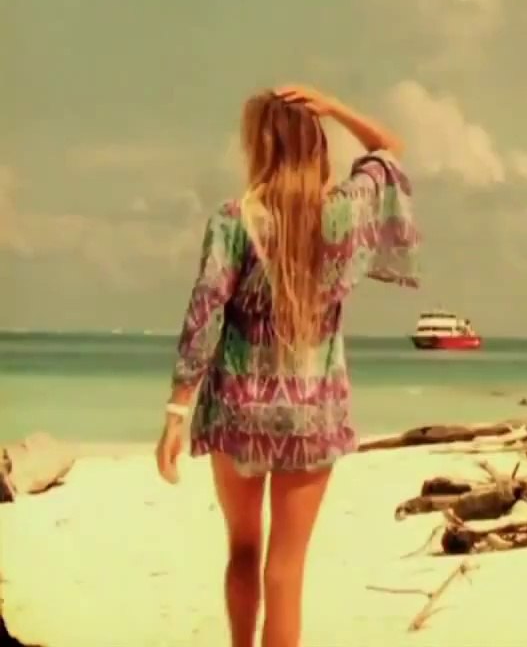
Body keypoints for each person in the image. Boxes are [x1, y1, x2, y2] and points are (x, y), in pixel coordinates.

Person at [152, 85, 420, 647]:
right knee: (286, 568)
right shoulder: (342, 214)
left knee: (242, 550)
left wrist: (177, 409)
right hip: (311, 412)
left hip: (237, 410)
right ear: (316, 146)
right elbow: (390, 148)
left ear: (262, 147)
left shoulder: (233, 220)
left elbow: (204, 313)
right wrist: (334, 106)